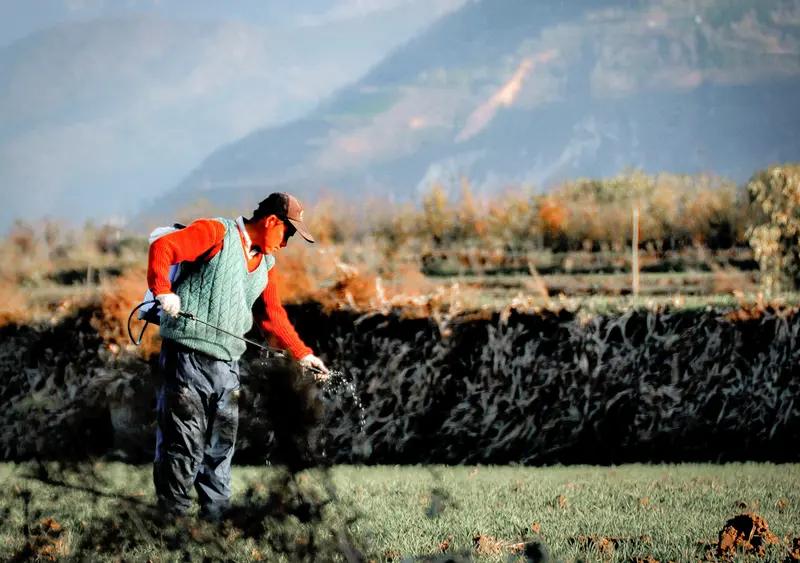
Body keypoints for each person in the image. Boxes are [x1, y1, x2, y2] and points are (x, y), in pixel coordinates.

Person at [146, 192, 329, 521]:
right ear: (272, 222)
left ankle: (213, 527)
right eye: (287, 234)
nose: (286, 243)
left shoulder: (266, 265)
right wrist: (163, 290)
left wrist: (303, 355)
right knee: (183, 444)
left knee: (220, 449)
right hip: (186, 358)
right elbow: (163, 248)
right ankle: (172, 526)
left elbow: (271, 315)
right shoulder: (215, 233)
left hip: (227, 367)